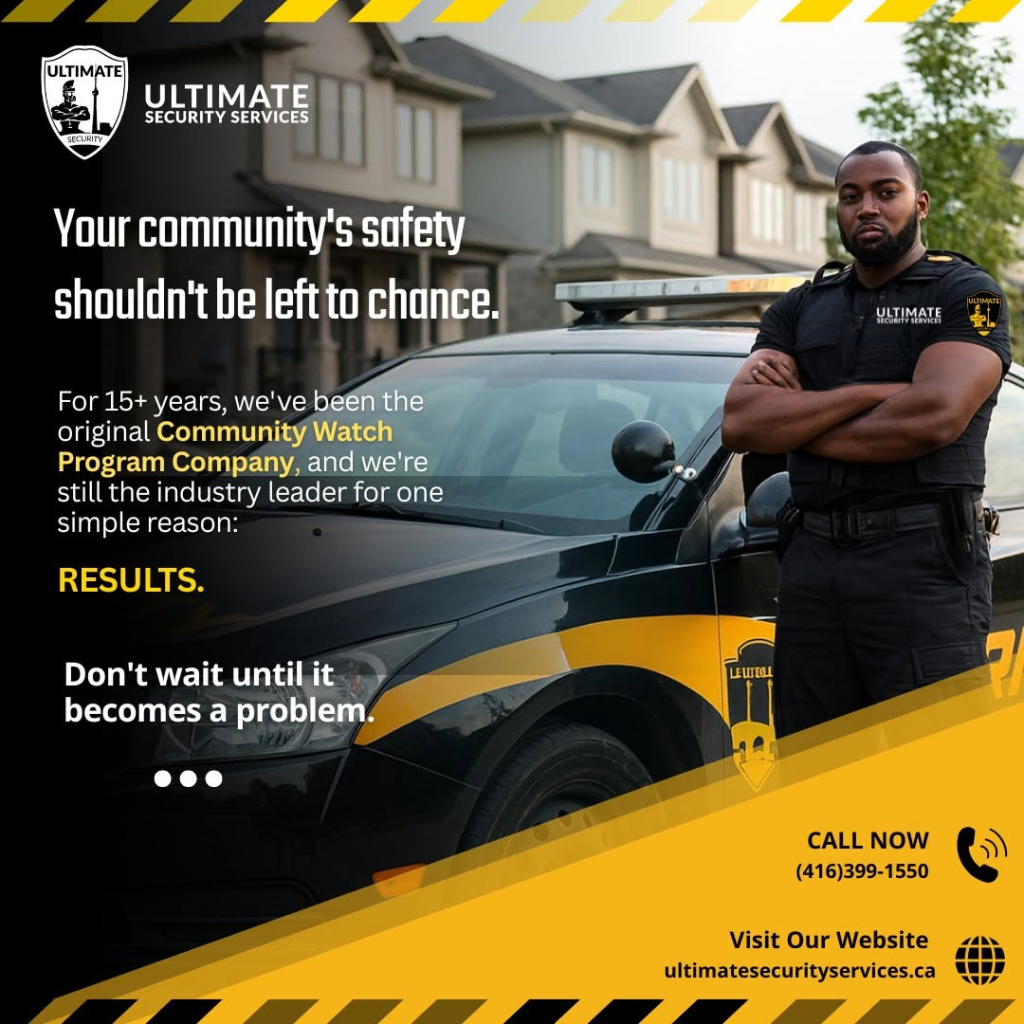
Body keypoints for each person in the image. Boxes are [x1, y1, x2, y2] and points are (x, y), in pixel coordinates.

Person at [721, 140, 1012, 738]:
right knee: (813, 764)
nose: (867, 207)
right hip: (812, 564)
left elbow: (932, 419)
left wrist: (800, 420)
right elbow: (744, 423)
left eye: (886, 192)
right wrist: (872, 394)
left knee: (932, 766)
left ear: (920, 204)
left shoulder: (968, 295)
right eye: (850, 196)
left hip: (923, 562)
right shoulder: (798, 308)